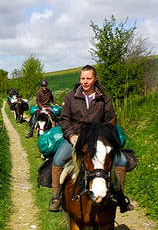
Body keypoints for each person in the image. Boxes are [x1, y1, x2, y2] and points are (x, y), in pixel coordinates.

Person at [48, 65, 129, 212]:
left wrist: (103, 137)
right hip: (76, 137)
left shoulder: (104, 98)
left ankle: (119, 196)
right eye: (83, 78)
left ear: (95, 79)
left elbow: (111, 121)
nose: (85, 82)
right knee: (58, 159)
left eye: (88, 78)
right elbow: (64, 120)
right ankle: (57, 196)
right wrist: (71, 136)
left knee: (122, 160)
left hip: (98, 139)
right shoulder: (71, 97)